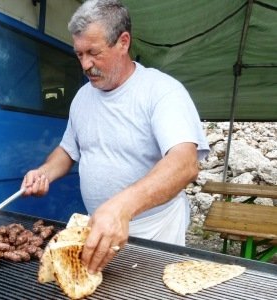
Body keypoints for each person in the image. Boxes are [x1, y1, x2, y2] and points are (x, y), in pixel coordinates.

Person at [21, 0, 209, 275]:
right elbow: (68, 151)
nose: (85, 64)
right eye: (79, 54)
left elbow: (184, 163)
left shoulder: (162, 91)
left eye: (94, 53)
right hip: (99, 231)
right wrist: (44, 173)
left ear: (123, 42)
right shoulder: (83, 98)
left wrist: (122, 207)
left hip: (154, 233)